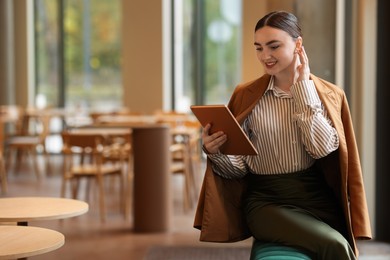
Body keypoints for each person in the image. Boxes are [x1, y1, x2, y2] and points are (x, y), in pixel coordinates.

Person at [193, 10, 372, 259]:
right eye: (259, 48)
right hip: (266, 202)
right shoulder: (245, 95)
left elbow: (321, 149)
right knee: (336, 245)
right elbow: (240, 169)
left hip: (316, 199)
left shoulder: (329, 94)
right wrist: (215, 153)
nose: (265, 56)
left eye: (273, 46)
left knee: (337, 243)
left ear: (298, 44)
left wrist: (302, 90)